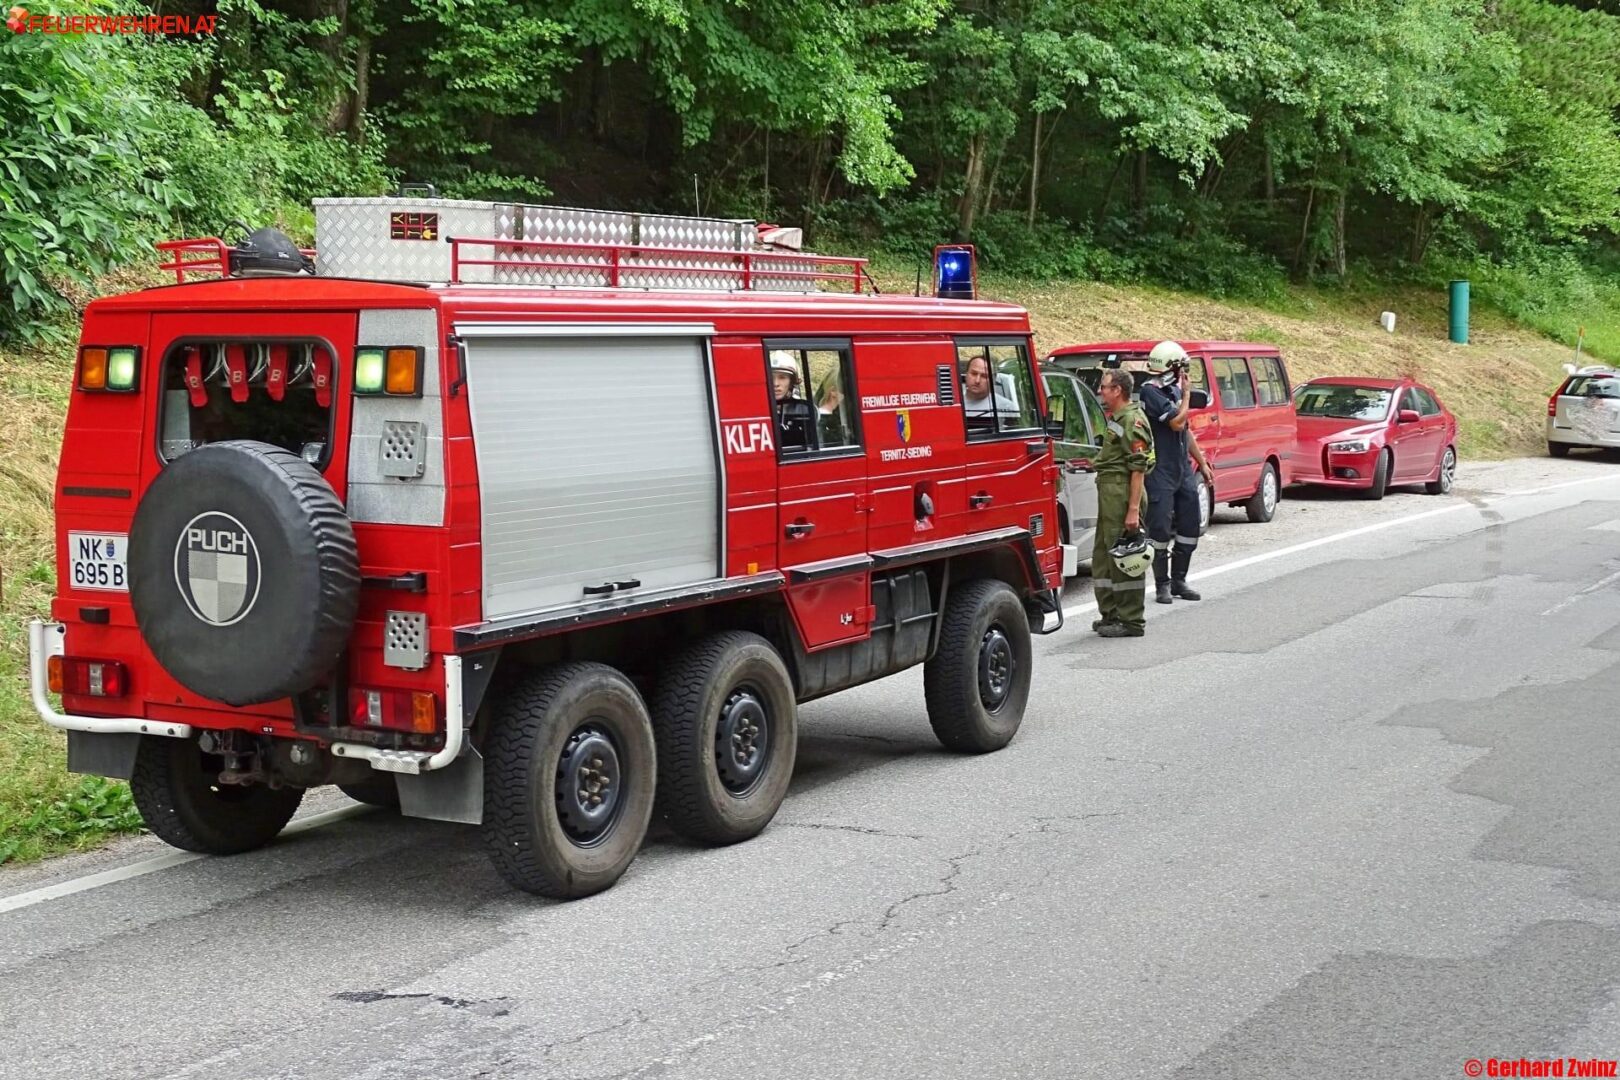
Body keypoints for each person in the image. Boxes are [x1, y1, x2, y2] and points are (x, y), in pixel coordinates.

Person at [1138, 340, 1211, 604]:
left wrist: (1201, 463)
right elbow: (1177, 423)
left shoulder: (1173, 391)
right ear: (1172, 368)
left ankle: (1180, 579)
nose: (1185, 373)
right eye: (1182, 367)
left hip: (1182, 469)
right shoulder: (1150, 392)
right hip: (1161, 471)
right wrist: (1188, 395)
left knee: (1190, 524)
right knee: (1159, 528)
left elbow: (1187, 429)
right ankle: (1162, 584)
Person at [1091, 367, 1156, 637]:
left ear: (1117, 390)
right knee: (1104, 558)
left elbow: (1138, 467)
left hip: (1121, 494)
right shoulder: (1117, 418)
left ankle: (1131, 621)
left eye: (1105, 387)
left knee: (1125, 557)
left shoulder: (1133, 420)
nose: (1101, 391)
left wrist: (1132, 510)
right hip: (1109, 492)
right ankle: (1112, 613)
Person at [771, 352, 846, 450]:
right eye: (771, 377)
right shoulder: (754, 412)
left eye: (782, 377)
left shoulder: (805, 410)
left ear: (792, 382)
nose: (775, 383)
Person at [962, 352, 1018, 420]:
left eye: (984, 376)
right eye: (974, 374)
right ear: (966, 374)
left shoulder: (1006, 407)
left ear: (993, 379)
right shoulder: (954, 404)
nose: (977, 381)